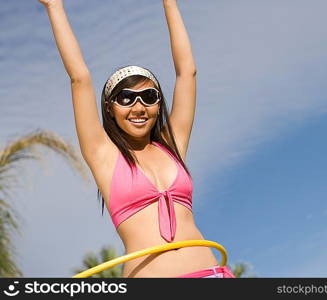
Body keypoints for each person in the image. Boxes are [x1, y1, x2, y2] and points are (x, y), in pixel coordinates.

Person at [38, 0, 236, 278]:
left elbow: (187, 72)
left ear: (158, 104)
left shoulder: (172, 146)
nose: (139, 107)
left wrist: (169, 3)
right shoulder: (104, 156)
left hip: (212, 275)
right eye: (126, 98)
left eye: (149, 97)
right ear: (110, 107)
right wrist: (54, 6)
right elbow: (79, 78)